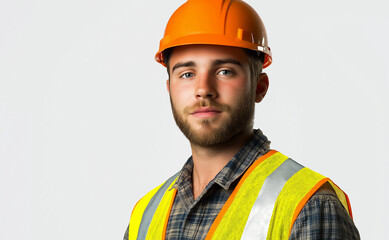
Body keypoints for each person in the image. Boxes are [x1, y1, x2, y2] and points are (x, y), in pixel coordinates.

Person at [124, 0, 360, 239]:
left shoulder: (309, 207)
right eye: (187, 74)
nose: (203, 89)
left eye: (224, 71)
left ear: (260, 87)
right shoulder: (145, 216)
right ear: (169, 88)